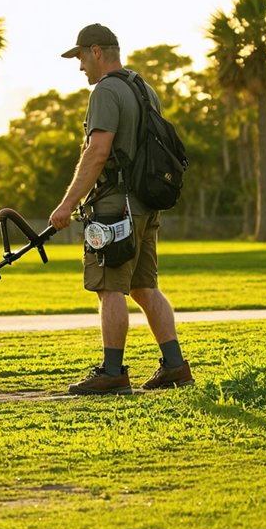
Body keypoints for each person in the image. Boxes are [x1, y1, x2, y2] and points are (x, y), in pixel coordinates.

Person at [49, 23, 193, 395]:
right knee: (145, 286)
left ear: (97, 51)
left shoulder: (106, 92)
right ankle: (175, 366)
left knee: (109, 286)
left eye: (80, 56)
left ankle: (112, 370)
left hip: (115, 207)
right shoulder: (144, 88)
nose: (80, 66)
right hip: (147, 205)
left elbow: (97, 152)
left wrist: (67, 204)